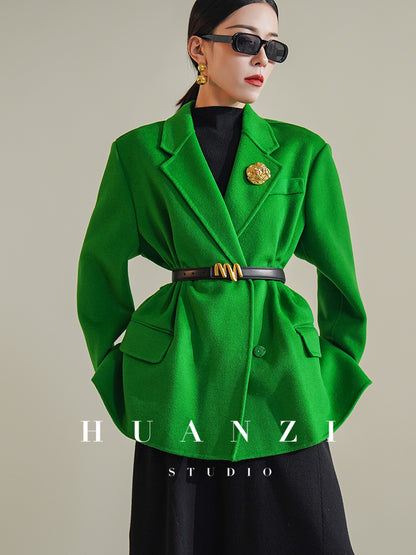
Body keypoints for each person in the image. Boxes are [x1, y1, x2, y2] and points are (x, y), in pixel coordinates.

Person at [77, 1, 373, 553]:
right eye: (244, 41)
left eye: (273, 46)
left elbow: (340, 279)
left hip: (282, 374)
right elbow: (98, 269)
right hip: (180, 377)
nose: (262, 58)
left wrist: (328, 374)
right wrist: (120, 367)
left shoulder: (303, 152)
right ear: (198, 48)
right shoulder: (138, 153)